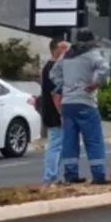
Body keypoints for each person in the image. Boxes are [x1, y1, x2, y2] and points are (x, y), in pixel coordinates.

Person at [51, 28, 111, 185]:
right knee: (93, 139)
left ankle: (70, 175)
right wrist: (95, 84)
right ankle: (98, 175)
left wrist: (62, 86)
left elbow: (53, 73)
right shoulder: (92, 54)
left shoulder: (66, 55)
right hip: (85, 101)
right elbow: (104, 68)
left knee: (69, 140)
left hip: (67, 104)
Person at [39, 38, 69, 183]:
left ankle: (53, 174)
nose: (65, 51)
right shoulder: (52, 68)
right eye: (62, 48)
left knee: (59, 145)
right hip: (54, 113)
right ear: (54, 49)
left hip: (53, 111)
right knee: (55, 145)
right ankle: (50, 176)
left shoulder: (52, 67)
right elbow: (55, 94)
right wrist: (61, 113)